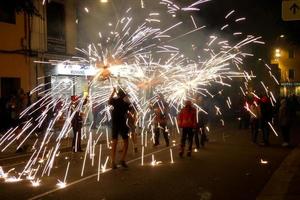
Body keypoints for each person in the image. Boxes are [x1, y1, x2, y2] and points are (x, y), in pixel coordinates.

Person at [109, 88, 131, 169]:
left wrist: (113, 92)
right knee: (126, 141)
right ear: (124, 95)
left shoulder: (115, 101)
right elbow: (130, 108)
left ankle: (113, 162)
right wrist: (127, 97)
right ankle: (122, 160)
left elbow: (109, 101)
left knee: (114, 142)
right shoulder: (125, 103)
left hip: (115, 124)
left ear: (118, 95)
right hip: (122, 124)